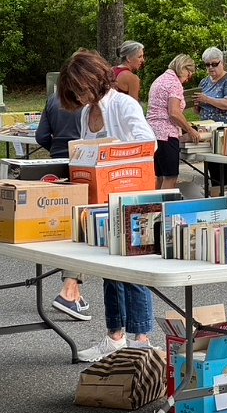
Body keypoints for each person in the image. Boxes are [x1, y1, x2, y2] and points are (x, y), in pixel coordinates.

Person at [58, 50, 159, 362]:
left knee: (134, 270)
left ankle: (141, 339)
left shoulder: (123, 104)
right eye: (74, 91)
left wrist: (108, 155)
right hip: (103, 201)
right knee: (109, 270)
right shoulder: (87, 113)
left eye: (80, 88)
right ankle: (115, 336)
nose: (79, 95)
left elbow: (148, 143)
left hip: (133, 196)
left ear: (94, 78)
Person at [35, 93, 91, 321]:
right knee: (81, 228)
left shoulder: (52, 99)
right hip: (83, 162)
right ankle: (68, 290)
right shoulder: (90, 99)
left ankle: (75, 292)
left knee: (68, 228)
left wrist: (56, 148)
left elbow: (41, 136)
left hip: (56, 163)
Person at [146, 54, 201, 189]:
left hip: (152, 133)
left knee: (159, 176)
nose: (188, 78)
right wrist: (190, 130)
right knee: (170, 177)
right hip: (166, 134)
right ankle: (166, 208)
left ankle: (155, 207)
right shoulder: (174, 83)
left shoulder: (160, 80)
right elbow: (174, 112)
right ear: (184, 69)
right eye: (189, 74)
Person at [194, 47, 227, 188]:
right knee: (213, 166)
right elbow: (198, 110)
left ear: (222, 63)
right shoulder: (204, 82)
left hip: (226, 131)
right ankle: (215, 192)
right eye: (207, 65)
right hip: (208, 131)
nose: (210, 68)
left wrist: (207, 100)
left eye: (214, 64)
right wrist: (197, 103)